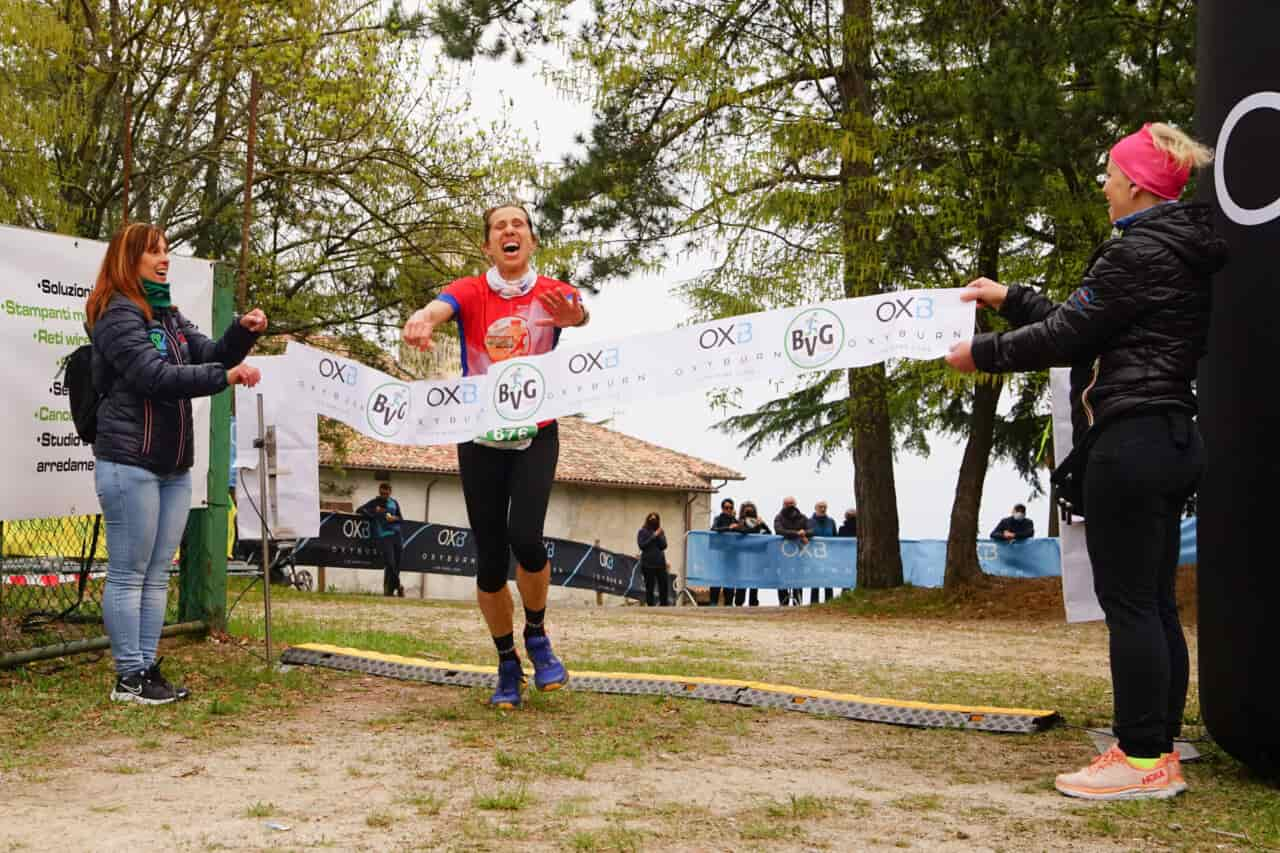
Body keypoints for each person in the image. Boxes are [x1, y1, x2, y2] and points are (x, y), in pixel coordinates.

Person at [945, 123, 1224, 800]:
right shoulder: (1175, 250)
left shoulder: (1135, 254)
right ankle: (1156, 742)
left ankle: (1139, 758)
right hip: (1172, 434)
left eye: (1109, 174)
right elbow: (1085, 323)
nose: (1102, 185)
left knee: (1129, 602)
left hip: (1129, 441)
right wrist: (1008, 298)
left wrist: (978, 354)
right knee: (1154, 600)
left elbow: (1069, 333)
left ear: (1135, 184)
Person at [403, 203, 587, 708]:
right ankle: (507, 662)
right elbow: (439, 308)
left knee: (525, 537)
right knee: (487, 559)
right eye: (499, 227)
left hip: (537, 432)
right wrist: (422, 318)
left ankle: (537, 635)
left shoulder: (553, 290)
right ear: (488, 246)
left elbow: (578, 310)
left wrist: (577, 316)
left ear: (530, 240)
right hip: (479, 435)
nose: (510, 231)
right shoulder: (471, 289)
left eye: (518, 225)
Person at [88, 222, 266, 704]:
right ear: (129, 260)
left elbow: (207, 352)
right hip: (129, 461)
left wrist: (240, 334)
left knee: (156, 571)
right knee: (129, 571)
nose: (164, 259)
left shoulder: (166, 312)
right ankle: (128, 676)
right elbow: (154, 376)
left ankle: (146, 669)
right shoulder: (116, 313)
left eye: (166, 251)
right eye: (153, 253)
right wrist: (223, 375)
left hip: (172, 464)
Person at [358, 482, 404, 596]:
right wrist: (374, 513)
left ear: (390, 492)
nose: (383, 495)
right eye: (382, 493)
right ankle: (399, 586)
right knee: (390, 562)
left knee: (396, 564)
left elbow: (401, 518)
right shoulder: (375, 502)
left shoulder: (394, 503)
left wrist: (394, 518)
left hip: (397, 535)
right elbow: (360, 510)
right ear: (379, 492)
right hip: (384, 535)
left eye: (386, 493)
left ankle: (390, 591)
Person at [773, 497, 810, 606]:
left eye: (792, 503)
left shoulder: (802, 517)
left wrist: (805, 533)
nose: (790, 506)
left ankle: (798, 602)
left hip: (799, 554)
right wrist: (797, 533)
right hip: (783, 554)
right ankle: (783, 603)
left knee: (798, 577)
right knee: (783, 577)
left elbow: (812, 530)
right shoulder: (779, 517)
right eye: (787, 504)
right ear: (783, 505)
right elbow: (779, 530)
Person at [734, 502, 770, 606]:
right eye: (747, 510)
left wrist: (762, 524)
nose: (749, 512)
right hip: (743, 556)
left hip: (756, 556)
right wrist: (757, 526)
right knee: (742, 579)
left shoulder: (758, 522)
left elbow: (769, 533)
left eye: (752, 510)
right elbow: (744, 531)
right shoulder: (739, 522)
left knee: (755, 579)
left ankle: (753, 601)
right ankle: (739, 601)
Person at [708, 497, 740, 606]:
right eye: (726, 507)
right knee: (716, 581)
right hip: (719, 555)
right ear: (722, 508)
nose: (728, 509)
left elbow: (744, 531)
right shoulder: (718, 519)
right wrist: (729, 528)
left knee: (730, 583)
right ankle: (713, 604)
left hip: (732, 557)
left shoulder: (735, 520)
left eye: (730, 507)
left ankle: (729, 605)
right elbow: (714, 529)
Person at [636, 512, 669, 606]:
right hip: (647, 564)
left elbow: (664, 546)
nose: (653, 521)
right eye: (652, 519)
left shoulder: (660, 531)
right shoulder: (642, 531)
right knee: (649, 587)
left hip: (660, 563)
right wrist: (653, 536)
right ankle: (651, 607)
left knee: (664, 586)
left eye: (655, 519)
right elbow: (642, 545)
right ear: (648, 520)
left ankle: (664, 606)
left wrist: (658, 535)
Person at [808, 501, 837, 603]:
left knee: (828, 578)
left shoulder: (831, 522)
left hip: (828, 555)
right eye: (820, 507)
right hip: (813, 555)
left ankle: (829, 602)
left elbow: (835, 536)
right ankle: (814, 602)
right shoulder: (809, 522)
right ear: (815, 508)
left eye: (825, 507)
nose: (823, 509)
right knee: (815, 579)